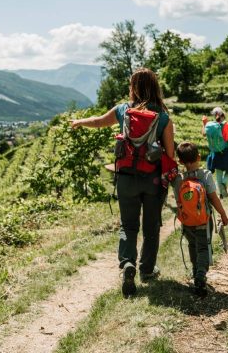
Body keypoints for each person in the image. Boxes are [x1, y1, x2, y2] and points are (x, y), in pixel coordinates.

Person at [70, 68, 175, 297]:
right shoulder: (164, 117)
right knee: (151, 227)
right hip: (153, 180)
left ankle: (128, 263)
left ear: (133, 87)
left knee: (128, 225)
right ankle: (147, 270)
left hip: (126, 178)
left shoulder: (123, 111)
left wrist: (79, 121)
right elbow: (169, 153)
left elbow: (98, 122)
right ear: (155, 87)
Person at [172, 142, 228, 297]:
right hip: (203, 221)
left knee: (192, 245)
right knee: (203, 248)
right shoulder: (205, 175)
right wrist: (223, 214)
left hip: (187, 222)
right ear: (198, 156)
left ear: (180, 161)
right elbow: (213, 198)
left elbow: (178, 201)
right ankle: (201, 275)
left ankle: (195, 270)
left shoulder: (178, 180)